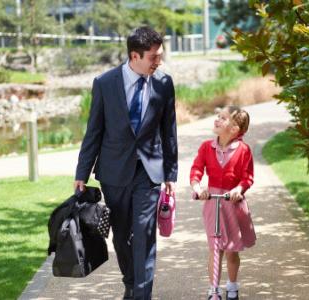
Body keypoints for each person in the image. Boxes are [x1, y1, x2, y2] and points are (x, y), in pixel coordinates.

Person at [74, 26, 178, 300]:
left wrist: (170, 173)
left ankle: (142, 294)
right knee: (120, 236)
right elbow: (94, 131)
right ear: (135, 56)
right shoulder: (104, 83)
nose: (159, 62)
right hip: (114, 172)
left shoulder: (164, 84)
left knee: (144, 235)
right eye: (153, 57)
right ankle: (130, 282)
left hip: (149, 172)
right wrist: (82, 172)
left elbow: (169, 130)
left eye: (160, 56)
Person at [190, 106, 256, 300]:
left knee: (231, 250)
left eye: (223, 118)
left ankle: (233, 285)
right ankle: (213, 289)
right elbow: (196, 170)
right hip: (212, 203)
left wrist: (238, 189)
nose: (217, 120)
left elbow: (248, 177)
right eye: (217, 116)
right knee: (214, 247)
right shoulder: (206, 147)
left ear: (234, 128)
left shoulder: (243, 150)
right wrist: (197, 187)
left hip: (232, 204)